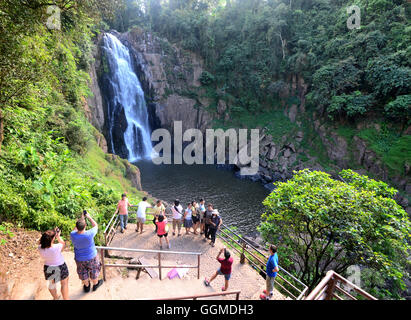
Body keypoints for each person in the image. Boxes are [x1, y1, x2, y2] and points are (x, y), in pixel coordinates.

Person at [70, 211, 103, 293]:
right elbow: (95, 225)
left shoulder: (72, 234)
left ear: (76, 227)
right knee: (94, 270)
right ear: (85, 226)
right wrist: (89, 217)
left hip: (79, 258)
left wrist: (81, 219)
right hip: (92, 257)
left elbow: (75, 229)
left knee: (82, 272)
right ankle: (95, 285)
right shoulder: (89, 234)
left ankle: (87, 286)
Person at [38, 228, 69, 300]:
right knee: (64, 284)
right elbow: (63, 244)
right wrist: (58, 236)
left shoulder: (40, 248)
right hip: (60, 266)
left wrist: (52, 235)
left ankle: (56, 297)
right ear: (52, 239)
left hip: (49, 267)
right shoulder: (57, 247)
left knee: (52, 284)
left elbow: (41, 242)